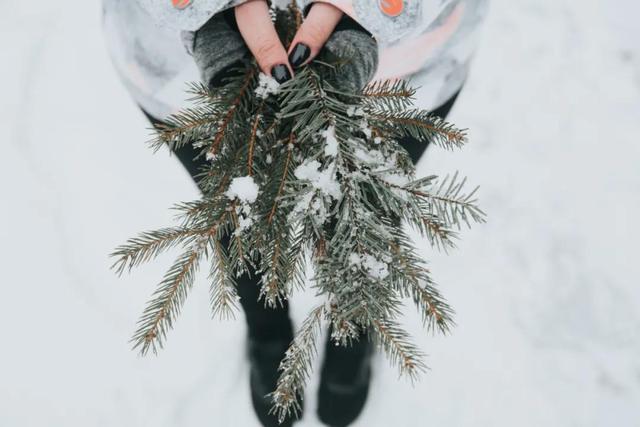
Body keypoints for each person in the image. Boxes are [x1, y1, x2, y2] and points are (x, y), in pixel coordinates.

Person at [102, 1, 488, 426]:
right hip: (178, 66)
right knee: (239, 204)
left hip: (407, 64)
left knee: (367, 207)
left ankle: (351, 326)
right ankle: (267, 330)